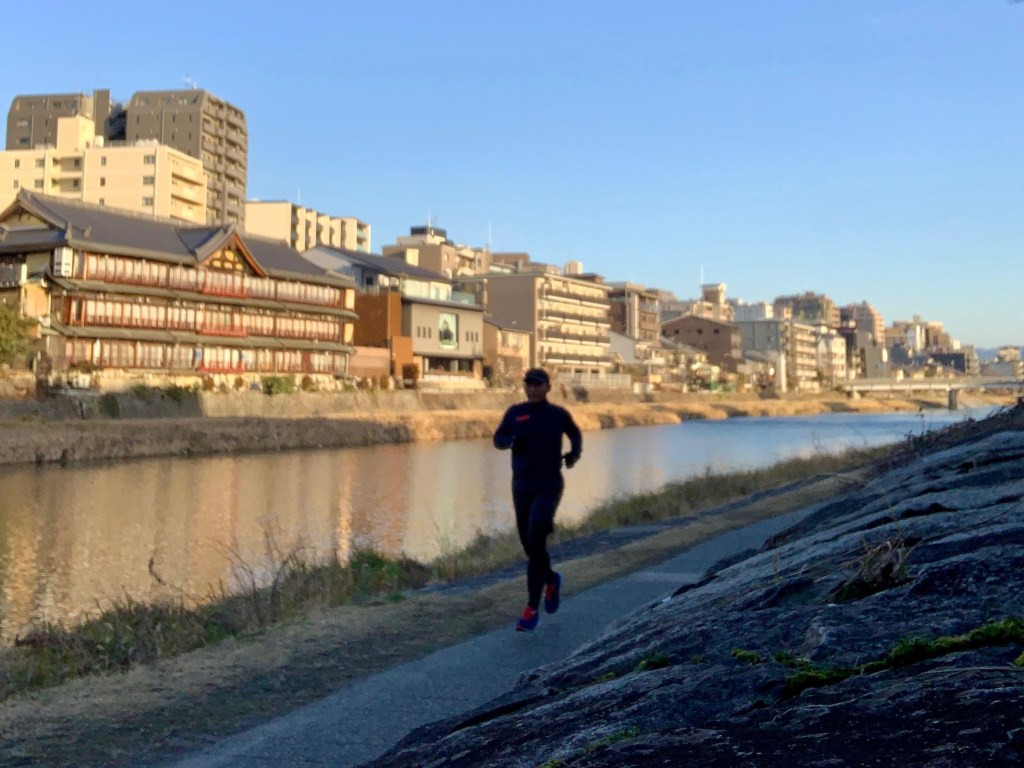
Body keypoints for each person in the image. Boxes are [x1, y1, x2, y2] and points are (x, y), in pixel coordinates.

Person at [493, 367, 582, 632]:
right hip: (522, 486)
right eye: (528, 384)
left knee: (537, 533)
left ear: (547, 387)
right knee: (530, 547)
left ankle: (532, 609)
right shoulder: (515, 413)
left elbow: (575, 433)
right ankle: (551, 579)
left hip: (549, 484)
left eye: (537, 384)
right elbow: (498, 437)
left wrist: (573, 454)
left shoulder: (557, 414)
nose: (532, 388)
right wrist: (506, 441)